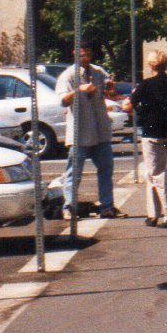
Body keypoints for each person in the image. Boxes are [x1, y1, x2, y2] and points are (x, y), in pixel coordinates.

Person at [55, 45, 120, 219]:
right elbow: (62, 100)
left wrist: (111, 88)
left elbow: (111, 92)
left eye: (88, 54)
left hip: (100, 130)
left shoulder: (98, 71)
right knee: (74, 172)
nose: (86, 58)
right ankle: (69, 207)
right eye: (82, 55)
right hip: (80, 132)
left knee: (106, 169)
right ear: (75, 53)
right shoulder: (68, 75)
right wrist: (79, 90)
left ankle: (106, 206)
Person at [125, 50, 167, 227]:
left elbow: (127, 105)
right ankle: (153, 213)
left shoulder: (145, 85)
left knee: (157, 173)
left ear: (151, 65)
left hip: (153, 132)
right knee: (151, 170)